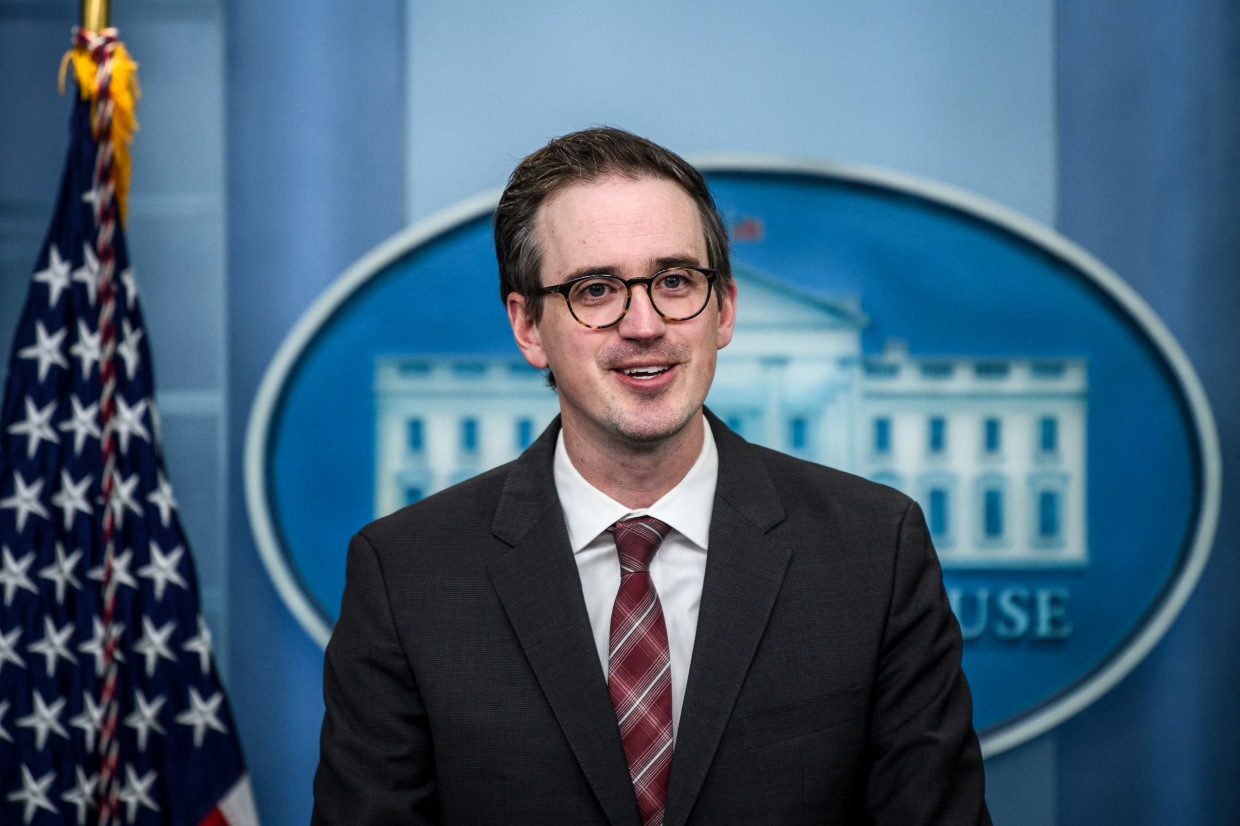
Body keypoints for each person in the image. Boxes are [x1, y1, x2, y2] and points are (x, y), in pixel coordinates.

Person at [311, 127, 991, 826]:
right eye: (596, 289)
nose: (644, 324)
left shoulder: (875, 549)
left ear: (723, 308)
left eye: (674, 281)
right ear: (528, 327)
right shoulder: (405, 575)